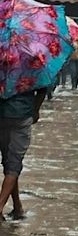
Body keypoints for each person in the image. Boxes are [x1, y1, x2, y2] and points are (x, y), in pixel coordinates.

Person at [0, 88, 47, 220]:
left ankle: (17, 207)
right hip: (22, 115)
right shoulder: (31, 67)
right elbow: (43, 89)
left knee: (8, 163)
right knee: (14, 164)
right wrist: (36, 110)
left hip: (2, 115)